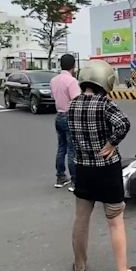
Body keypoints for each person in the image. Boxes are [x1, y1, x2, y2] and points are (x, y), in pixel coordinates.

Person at [67, 59, 136, 271]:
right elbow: (123, 124)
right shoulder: (105, 104)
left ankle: (79, 267)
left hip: (83, 170)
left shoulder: (73, 104)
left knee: (81, 221)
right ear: (105, 80)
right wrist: (111, 143)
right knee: (115, 222)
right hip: (107, 170)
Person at [50, 54, 81, 190]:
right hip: (70, 116)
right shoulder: (72, 81)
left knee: (61, 147)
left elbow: (53, 96)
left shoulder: (54, 80)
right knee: (72, 149)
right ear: (73, 66)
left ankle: (60, 177)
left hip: (59, 115)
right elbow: (77, 100)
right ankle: (75, 181)